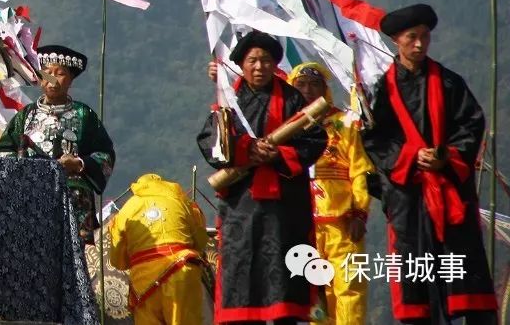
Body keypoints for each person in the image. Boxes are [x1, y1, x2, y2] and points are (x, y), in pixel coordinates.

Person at [361, 4, 496, 323]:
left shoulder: (450, 84)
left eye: (425, 37)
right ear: (397, 40)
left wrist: (445, 155)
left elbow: (472, 124)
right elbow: (375, 139)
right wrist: (411, 156)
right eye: (412, 37)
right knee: (417, 281)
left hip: (450, 195)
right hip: (409, 199)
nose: (419, 44)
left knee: (465, 279)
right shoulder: (381, 91)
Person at [196, 30, 326, 324]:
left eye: (265, 61)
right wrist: (245, 150)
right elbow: (210, 141)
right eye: (253, 60)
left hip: (286, 208)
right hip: (241, 208)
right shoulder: (230, 98)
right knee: (243, 277)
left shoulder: (293, 99)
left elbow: (315, 140)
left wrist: (278, 155)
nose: (259, 67)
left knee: (286, 280)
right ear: (242, 64)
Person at [0, 44, 115, 239]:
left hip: (76, 200)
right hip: (33, 196)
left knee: (77, 255)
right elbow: (4, 150)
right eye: (47, 73)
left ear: (70, 80)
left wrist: (79, 163)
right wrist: (26, 169)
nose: (52, 80)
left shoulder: (84, 114)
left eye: (59, 74)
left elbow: (105, 153)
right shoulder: (26, 115)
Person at [288, 60, 370, 324]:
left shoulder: (345, 123)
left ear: (325, 89)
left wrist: (359, 212)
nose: (309, 90)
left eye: (315, 84)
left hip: (342, 222)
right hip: (303, 224)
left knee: (348, 288)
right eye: (301, 85)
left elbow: (359, 170)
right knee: (314, 294)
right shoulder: (285, 128)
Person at [108, 172, 209, 325]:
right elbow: (201, 241)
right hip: (181, 272)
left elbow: (118, 262)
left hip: (144, 283)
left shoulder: (126, 210)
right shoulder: (180, 200)